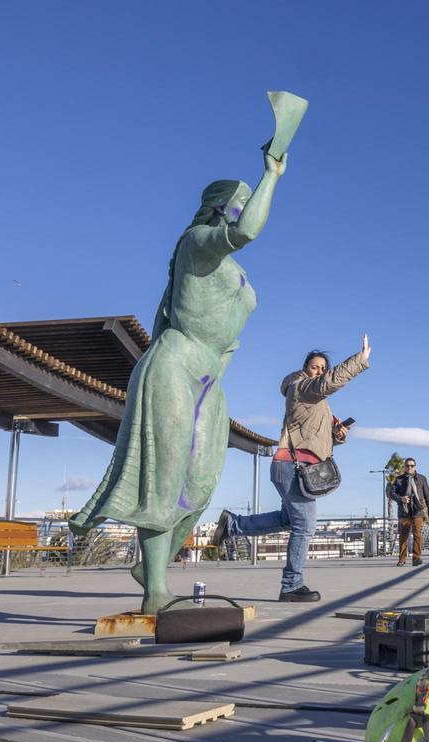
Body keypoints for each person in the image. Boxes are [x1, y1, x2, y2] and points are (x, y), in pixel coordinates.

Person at [70, 149, 288, 615]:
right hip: (175, 362)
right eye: (238, 201)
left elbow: (229, 335)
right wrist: (271, 175)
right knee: (165, 478)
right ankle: (155, 590)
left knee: (202, 484)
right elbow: (246, 230)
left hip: (210, 376)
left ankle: (153, 565)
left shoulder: (232, 267)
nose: (243, 208)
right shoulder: (197, 242)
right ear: (218, 208)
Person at [216, 338, 371, 601]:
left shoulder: (316, 402)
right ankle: (291, 585)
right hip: (293, 466)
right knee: (305, 525)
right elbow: (327, 383)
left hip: (294, 465)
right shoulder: (300, 388)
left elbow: (312, 437)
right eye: (315, 367)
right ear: (304, 369)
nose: (320, 371)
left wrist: (337, 434)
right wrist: (360, 359)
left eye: (323, 367)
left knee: (289, 520)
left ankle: (232, 524)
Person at [388, 458, 429, 566]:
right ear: (404, 467)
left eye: (412, 466)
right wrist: (401, 498)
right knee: (403, 535)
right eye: (407, 466)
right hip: (404, 512)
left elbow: (428, 496)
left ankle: (416, 558)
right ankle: (402, 559)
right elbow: (392, 493)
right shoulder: (399, 479)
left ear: (415, 467)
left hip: (417, 511)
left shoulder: (422, 479)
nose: (409, 468)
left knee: (417, 535)